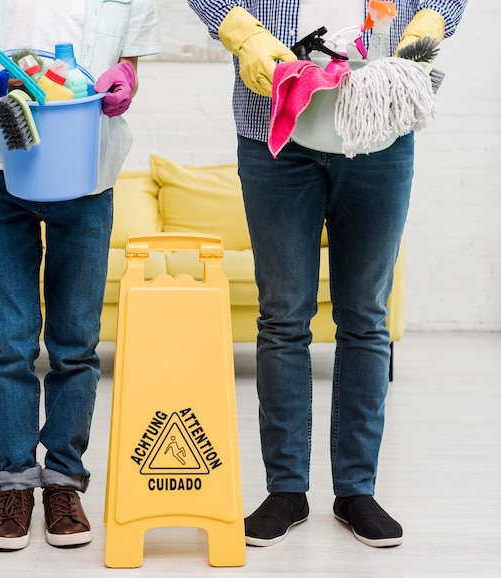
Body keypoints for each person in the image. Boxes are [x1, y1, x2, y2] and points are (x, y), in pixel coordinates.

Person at [187, 0, 467, 548]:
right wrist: (241, 32)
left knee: (365, 316)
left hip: (379, 121)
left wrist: (427, 27)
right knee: (283, 316)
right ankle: (286, 490)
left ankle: (356, 489)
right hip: (275, 123)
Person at [0, 0, 160, 551]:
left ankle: (63, 481)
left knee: (75, 344)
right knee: (8, 344)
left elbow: (129, 65)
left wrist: (125, 80)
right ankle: (15, 482)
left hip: (87, 176)